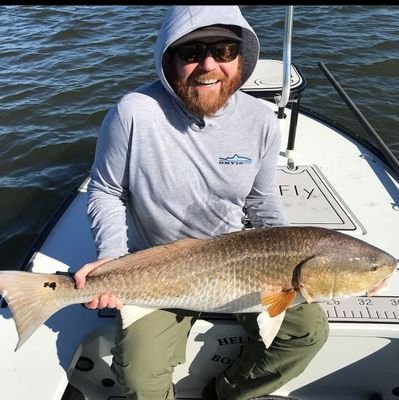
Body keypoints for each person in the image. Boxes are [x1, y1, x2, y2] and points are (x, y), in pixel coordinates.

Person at [74, 5, 329, 400]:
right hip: (157, 266)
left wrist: (286, 252)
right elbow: (106, 190)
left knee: (309, 330)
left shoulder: (260, 121)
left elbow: (262, 202)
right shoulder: (134, 113)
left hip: (238, 261)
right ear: (169, 59)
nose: (208, 65)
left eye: (224, 50)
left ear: (240, 57)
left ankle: (228, 392)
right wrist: (112, 256)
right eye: (191, 52)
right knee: (140, 379)